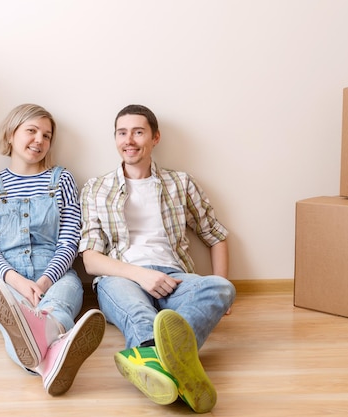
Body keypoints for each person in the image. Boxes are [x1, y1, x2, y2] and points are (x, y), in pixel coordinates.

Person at [79, 104, 235, 413]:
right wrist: (140, 275)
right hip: (120, 277)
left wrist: (222, 290)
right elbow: (91, 260)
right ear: (115, 139)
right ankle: (179, 370)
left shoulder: (181, 183)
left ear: (155, 137)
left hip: (174, 277)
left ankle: (154, 364)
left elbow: (215, 235)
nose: (130, 140)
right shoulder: (97, 188)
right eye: (122, 133)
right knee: (139, 314)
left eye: (138, 132)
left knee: (222, 289)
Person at [0, 103, 105, 396]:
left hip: (57, 275)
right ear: (11, 134)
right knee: (15, 322)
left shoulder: (61, 180)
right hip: (4, 278)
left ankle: (41, 353)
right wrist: (17, 281)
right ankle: (53, 359)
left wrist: (45, 280)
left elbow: (70, 241)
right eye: (31, 131)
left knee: (49, 312)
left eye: (46, 136)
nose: (39, 140)